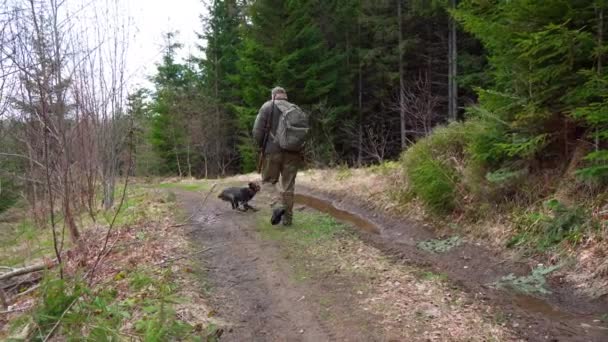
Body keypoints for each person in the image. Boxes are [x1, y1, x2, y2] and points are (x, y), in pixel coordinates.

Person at [252, 86, 303, 226]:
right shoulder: (296, 109)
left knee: (268, 182)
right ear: (285, 96)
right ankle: (288, 220)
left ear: (273, 95)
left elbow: (257, 131)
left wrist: (262, 146)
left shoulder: (267, 106)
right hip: (293, 153)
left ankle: (276, 206)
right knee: (288, 186)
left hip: (272, 152)